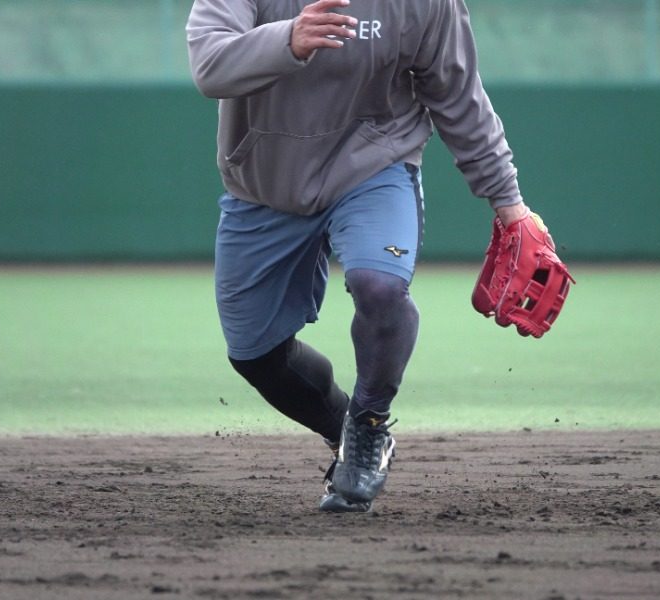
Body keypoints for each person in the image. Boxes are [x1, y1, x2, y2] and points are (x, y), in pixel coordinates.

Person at [187, 0, 537, 512]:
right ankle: (345, 431)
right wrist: (288, 38)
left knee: (381, 285)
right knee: (255, 354)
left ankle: (370, 423)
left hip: (373, 165)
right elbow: (209, 65)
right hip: (265, 183)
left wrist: (509, 202)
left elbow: (457, 94)